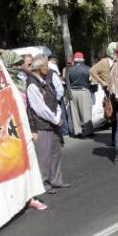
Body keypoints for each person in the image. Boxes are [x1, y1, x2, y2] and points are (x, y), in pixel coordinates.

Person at [1, 50, 48, 211]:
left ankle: (31, 197)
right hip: (10, 134)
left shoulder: (20, 82)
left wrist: (33, 129)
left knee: (30, 164)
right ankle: (17, 199)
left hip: (25, 130)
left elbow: (27, 109)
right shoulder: (1, 86)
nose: (18, 67)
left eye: (19, 64)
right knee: (14, 168)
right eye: (14, 65)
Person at [27, 55, 70, 193]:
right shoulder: (32, 84)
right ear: (39, 68)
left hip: (52, 123)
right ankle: (45, 184)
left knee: (55, 152)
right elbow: (40, 108)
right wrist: (55, 119)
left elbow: (54, 101)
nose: (48, 68)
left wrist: (57, 115)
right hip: (43, 125)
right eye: (45, 65)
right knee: (44, 156)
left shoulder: (44, 80)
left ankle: (56, 180)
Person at [90, 42, 117, 145]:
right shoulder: (104, 62)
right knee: (114, 117)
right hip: (111, 93)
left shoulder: (117, 61)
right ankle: (115, 140)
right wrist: (102, 81)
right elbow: (92, 71)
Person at [65, 52, 94, 138]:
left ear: (74, 59)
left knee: (74, 114)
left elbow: (67, 82)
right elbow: (92, 81)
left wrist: (69, 94)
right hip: (84, 91)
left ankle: (77, 132)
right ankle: (88, 131)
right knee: (86, 112)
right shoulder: (87, 68)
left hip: (73, 92)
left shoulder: (69, 69)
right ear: (82, 59)